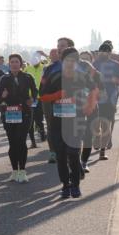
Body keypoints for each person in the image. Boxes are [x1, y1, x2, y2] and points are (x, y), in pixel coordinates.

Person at [39, 47, 103, 198]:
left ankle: (75, 185)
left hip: (76, 120)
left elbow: (94, 90)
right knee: (61, 155)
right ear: (63, 61)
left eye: (73, 60)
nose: (70, 63)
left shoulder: (82, 76)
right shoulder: (54, 76)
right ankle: (65, 186)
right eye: (67, 60)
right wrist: (58, 94)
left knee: (73, 154)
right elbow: (42, 96)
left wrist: (90, 105)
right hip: (57, 122)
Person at [0, 54, 38, 182]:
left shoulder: (27, 77)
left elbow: (35, 91)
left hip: (24, 112)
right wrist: (2, 96)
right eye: (12, 61)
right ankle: (14, 171)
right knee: (12, 142)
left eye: (16, 62)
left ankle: (23, 171)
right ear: (9, 64)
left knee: (21, 141)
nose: (14, 64)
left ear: (21, 64)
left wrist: (32, 99)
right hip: (9, 113)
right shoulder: (4, 79)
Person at [92, 40, 119, 160]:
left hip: (111, 97)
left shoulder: (116, 64)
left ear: (110, 53)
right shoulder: (94, 64)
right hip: (97, 97)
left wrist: (116, 80)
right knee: (98, 120)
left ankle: (107, 140)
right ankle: (99, 138)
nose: (103, 54)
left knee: (109, 119)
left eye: (106, 52)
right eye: (101, 51)